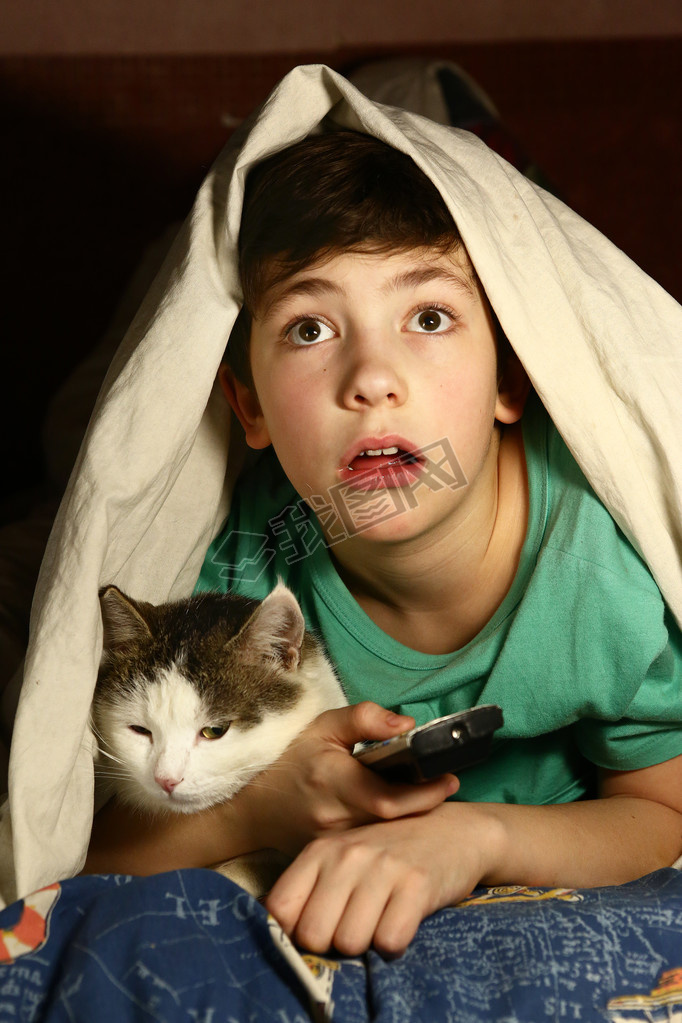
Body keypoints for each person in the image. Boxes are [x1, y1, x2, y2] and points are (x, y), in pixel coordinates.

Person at [83, 125, 682, 958]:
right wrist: (260, 807)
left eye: (428, 316)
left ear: (512, 378)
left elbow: (664, 814)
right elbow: (75, 844)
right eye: (310, 329)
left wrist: (475, 839)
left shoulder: (599, 572)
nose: (371, 376)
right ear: (248, 406)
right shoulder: (240, 571)